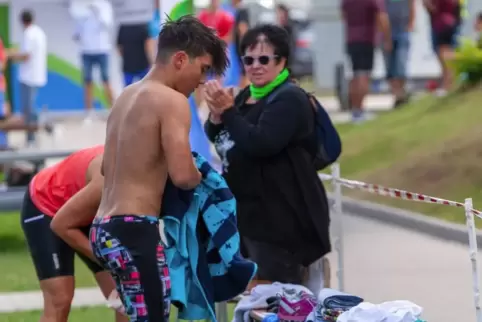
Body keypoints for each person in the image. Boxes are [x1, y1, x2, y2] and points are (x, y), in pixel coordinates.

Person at [89, 16, 228, 322]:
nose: (202, 81)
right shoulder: (173, 101)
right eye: (203, 69)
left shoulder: (125, 96)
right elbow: (183, 175)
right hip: (134, 229)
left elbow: (105, 169)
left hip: (103, 229)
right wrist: (204, 175)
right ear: (180, 59)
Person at [203, 24, 331, 292]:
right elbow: (223, 137)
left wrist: (228, 113)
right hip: (248, 218)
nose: (255, 66)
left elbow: (261, 143)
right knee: (253, 300)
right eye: (248, 60)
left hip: (281, 222)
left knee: (279, 300)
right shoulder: (246, 96)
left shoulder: (289, 99)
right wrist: (216, 117)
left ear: (282, 61)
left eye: (264, 59)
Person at [21, 145, 127, 322]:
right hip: (47, 205)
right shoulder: (109, 178)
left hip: (91, 209)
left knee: (127, 293)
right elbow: (61, 225)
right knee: (60, 299)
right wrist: (109, 262)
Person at [341, 0, 391, 123]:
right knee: (364, 75)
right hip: (367, 39)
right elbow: (382, 17)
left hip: (351, 39)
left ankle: (354, 110)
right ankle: (360, 109)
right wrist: (386, 38)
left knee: (355, 74)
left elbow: (343, 16)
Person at [7, 9, 47, 145]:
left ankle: (31, 138)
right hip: (35, 75)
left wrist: (8, 56)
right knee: (31, 108)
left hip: (29, 77)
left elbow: (26, 55)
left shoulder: (29, 34)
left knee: (29, 110)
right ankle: (32, 137)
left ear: (22, 21)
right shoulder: (39, 32)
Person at [74, 0, 114, 118]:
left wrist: (98, 11)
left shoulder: (105, 5)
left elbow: (107, 24)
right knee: (87, 82)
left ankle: (112, 109)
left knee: (106, 80)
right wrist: (77, 34)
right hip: (86, 50)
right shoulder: (81, 5)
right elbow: (78, 26)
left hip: (102, 49)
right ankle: (89, 112)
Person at [383, 0, 415, 108]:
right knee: (390, 66)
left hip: (402, 31)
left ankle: (401, 94)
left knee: (401, 63)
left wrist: (410, 24)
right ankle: (397, 95)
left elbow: (412, 5)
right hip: (386, 32)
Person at [423, 0, 459, 96]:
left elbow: (432, 8)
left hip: (442, 23)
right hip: (449, 21)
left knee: (444, 54)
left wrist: (426, 4)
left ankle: (447, 84)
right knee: (447, 54)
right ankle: (448, 83)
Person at [232, 0, 250, 88]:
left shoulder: (242, 10)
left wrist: (244, 47)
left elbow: (243, 28)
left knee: (245, 73)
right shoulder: (239, 10)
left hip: (242, 48)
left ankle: (244, 94)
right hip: (241, 47)